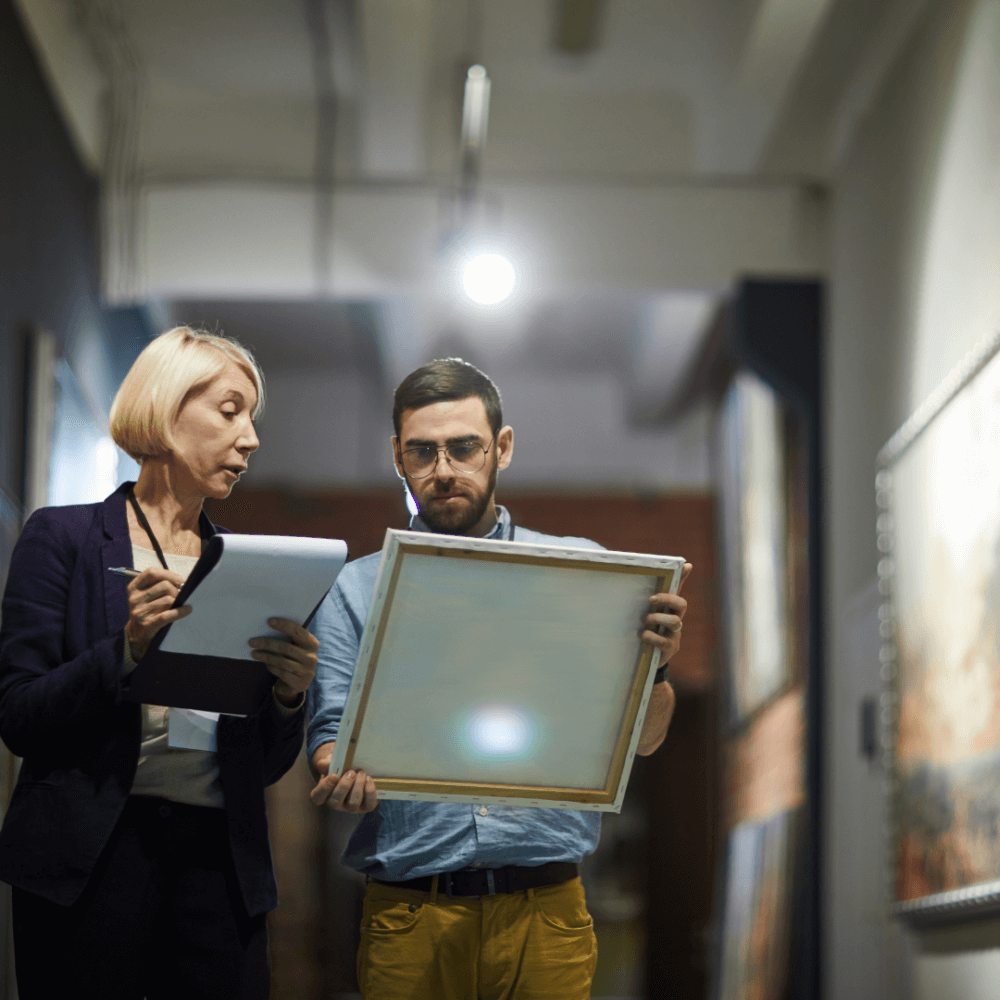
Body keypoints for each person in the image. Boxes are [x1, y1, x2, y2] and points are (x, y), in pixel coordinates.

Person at [307, 358, 692, 1000]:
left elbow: (644, 742)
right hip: (410, 914)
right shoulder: (354, 590)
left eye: (464, 448)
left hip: (547, 909)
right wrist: (339, 772)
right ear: (397, 458)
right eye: (422, 452)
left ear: (502, 448)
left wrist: (659, 667)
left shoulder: (585, 575)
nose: (444, 469)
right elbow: (329, 740)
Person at [0, 327, 320, 999]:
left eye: (252, 419)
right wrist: (125, 653)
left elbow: (259, 767)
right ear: (168, 410)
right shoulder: (63, 538)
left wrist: (289, 697)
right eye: (230, 411)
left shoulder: (251, 569)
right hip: (90, 860)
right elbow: (19, 715)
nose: (251, 439)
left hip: (218, 868)